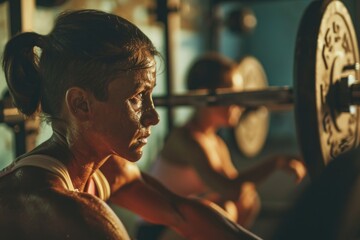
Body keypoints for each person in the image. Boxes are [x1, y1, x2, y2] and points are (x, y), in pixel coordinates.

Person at [0, 9, 261, 240]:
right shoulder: (59, 206)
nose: (153, 117)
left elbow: (182, 212)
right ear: (81, 105)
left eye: (150, 95)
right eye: (136, 98)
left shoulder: (106, 170)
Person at [141, 53, 307, 239]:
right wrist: (276, 162)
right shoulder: (186, 140)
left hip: (176, 225)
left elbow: (239, 192)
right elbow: (229, 188)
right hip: (155, 233)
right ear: (206, 95)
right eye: (232, 94)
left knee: (247, 200)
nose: (239, 103)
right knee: (220, 209)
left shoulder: (216, 143)